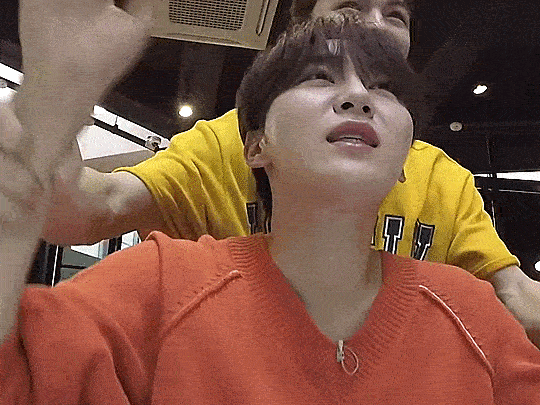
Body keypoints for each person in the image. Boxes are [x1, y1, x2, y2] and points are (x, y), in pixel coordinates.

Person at [2, 12, 540, 403]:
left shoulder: (473, 317)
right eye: (320, 76)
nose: (358, 97)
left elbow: (516, 294)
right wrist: (53, 94)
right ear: (254, 145)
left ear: (406, 155)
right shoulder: (159, 287)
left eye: (384, 89)